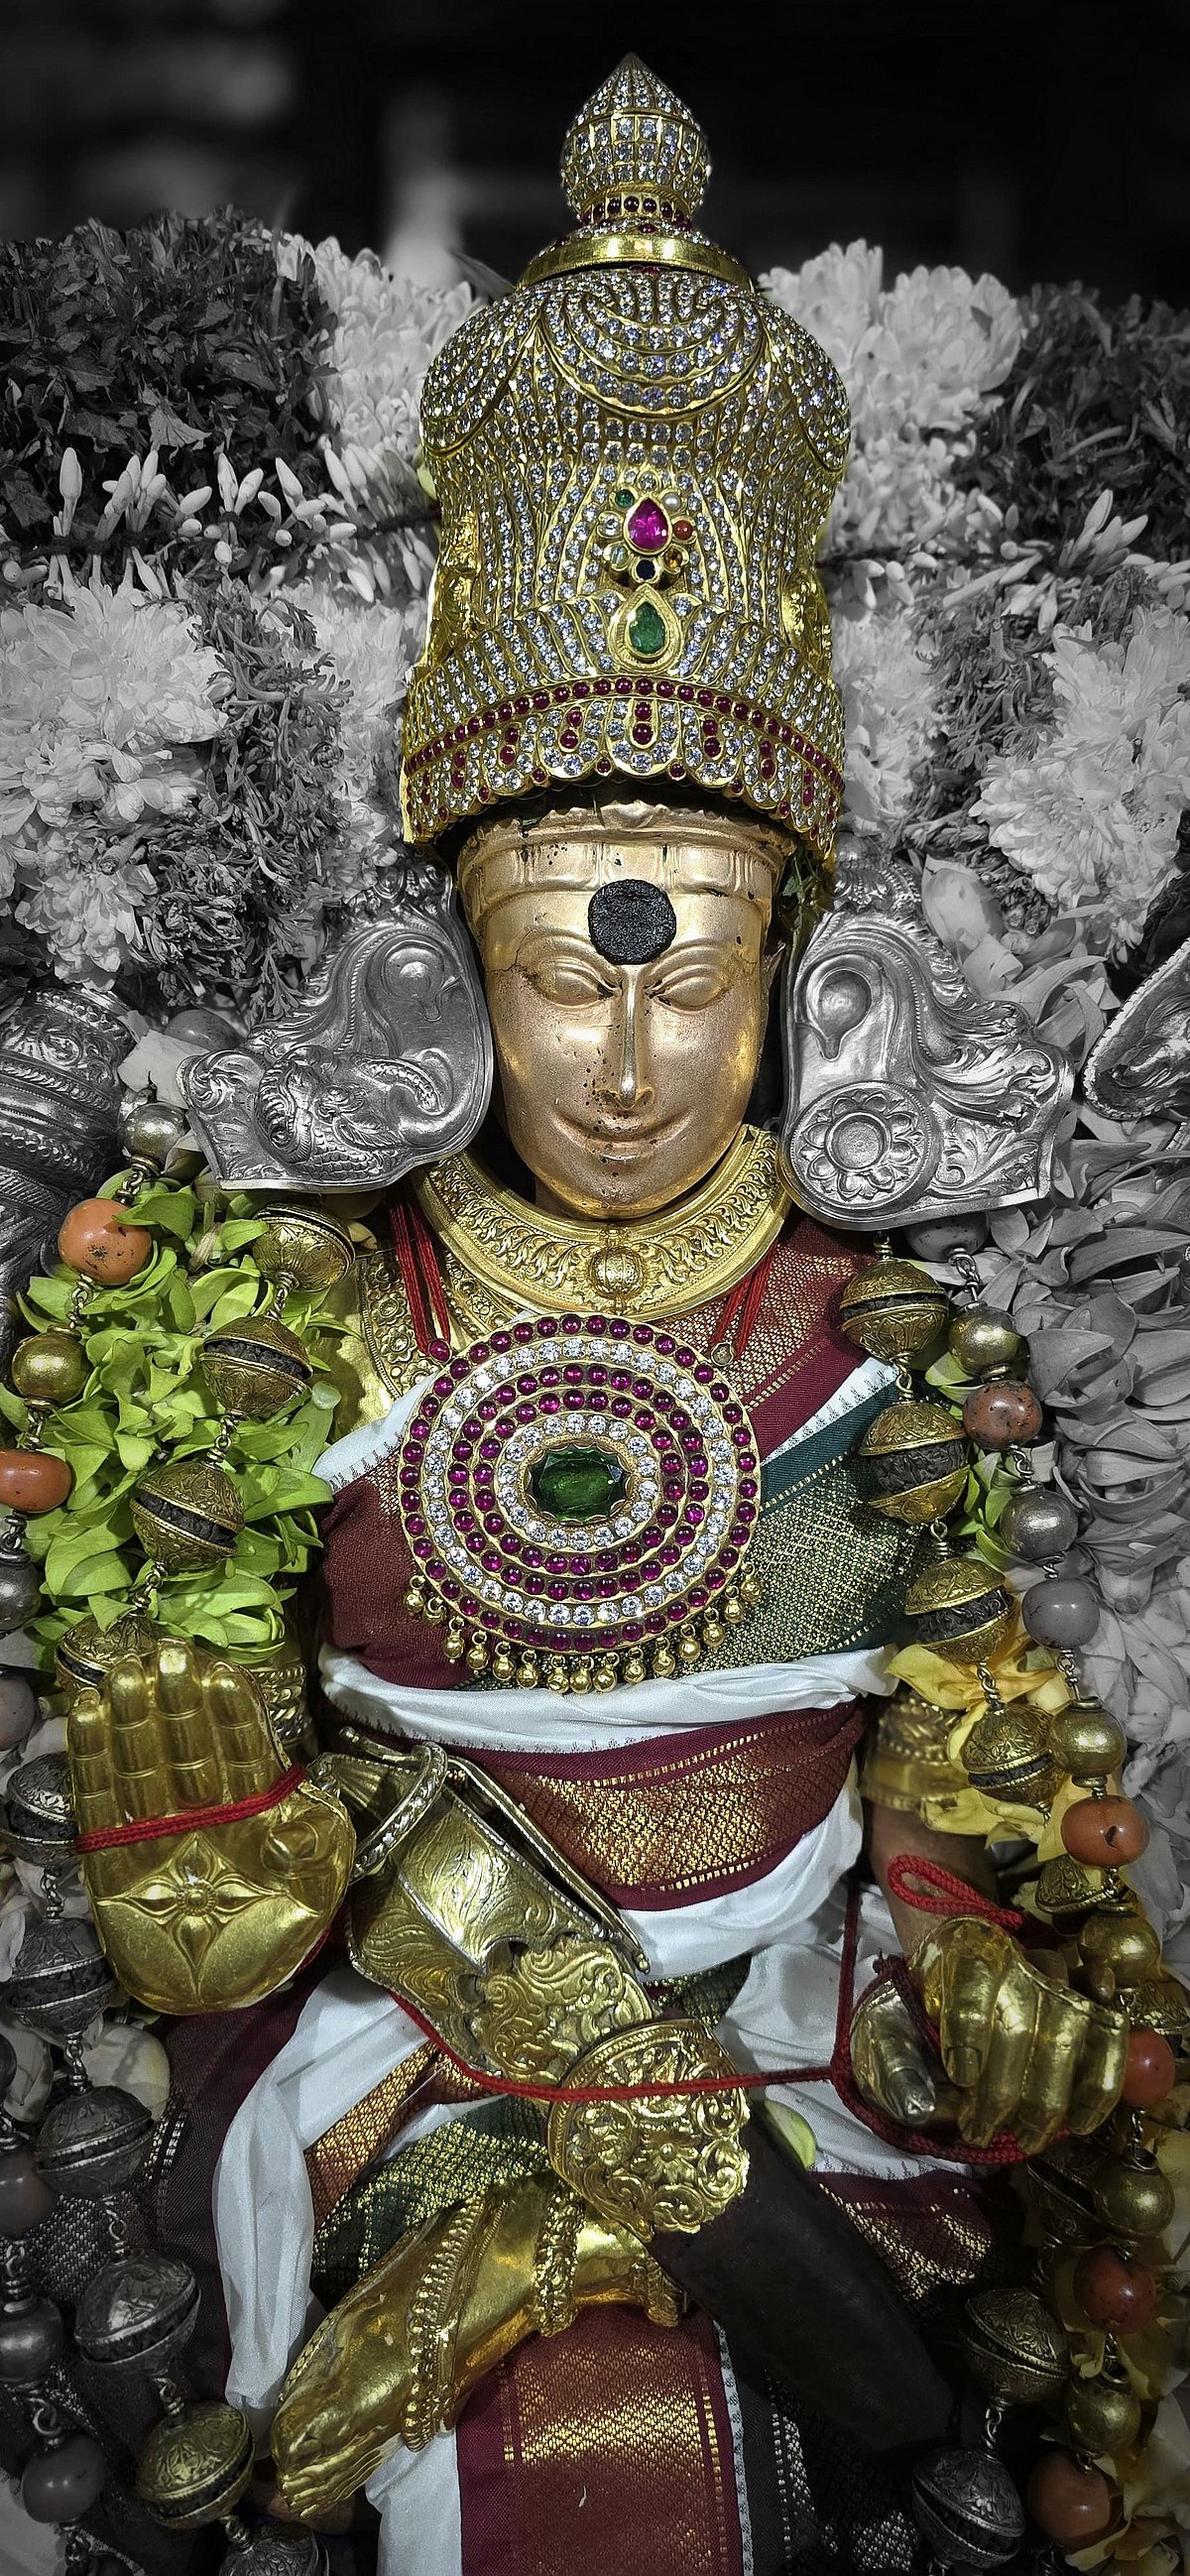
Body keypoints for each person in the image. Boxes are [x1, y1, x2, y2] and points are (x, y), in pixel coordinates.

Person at [49, 57, 1145, 2576]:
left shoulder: (890, 1341)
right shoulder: (304, 1328)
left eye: (698, 981)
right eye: (563, 977)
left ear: (799, 978)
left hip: (809, 2060)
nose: (632, 1068)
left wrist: (959, 1946)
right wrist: (204, 1843)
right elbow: (229, 1872)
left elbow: (966, 1764)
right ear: (455, 976)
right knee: (570, 2443)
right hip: (424, 2063)